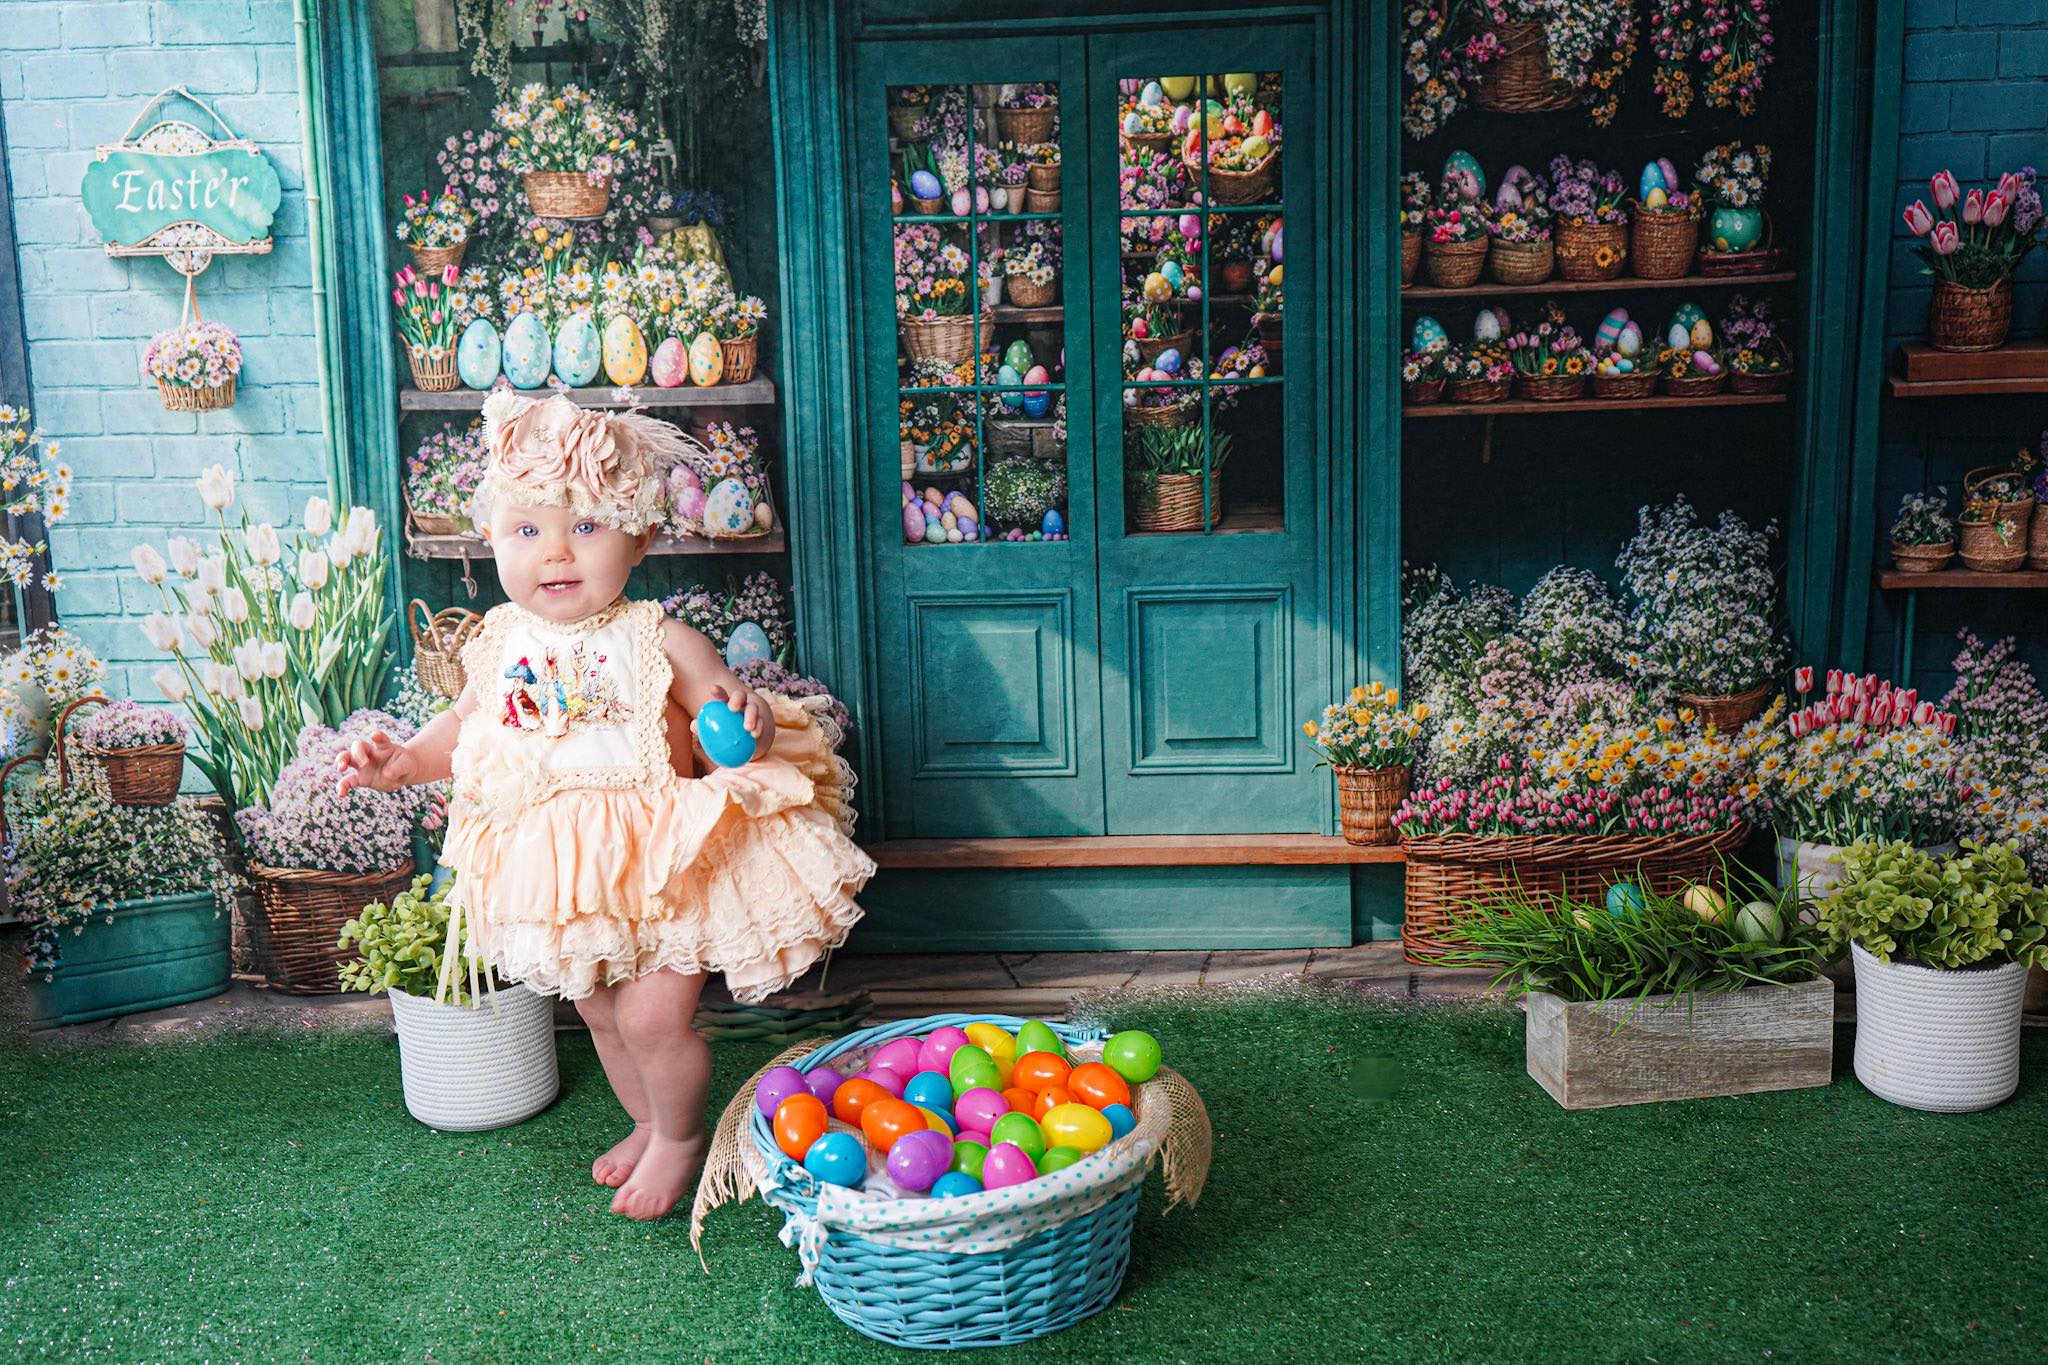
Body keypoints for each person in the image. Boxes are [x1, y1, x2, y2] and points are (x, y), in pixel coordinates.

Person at [335, 391, 873, 1220]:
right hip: (564, 877)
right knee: (599, 1014)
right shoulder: (499, 643)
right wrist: (402, 761)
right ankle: (647, 1120)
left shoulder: (659, 638)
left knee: (655, 1019)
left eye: (584, 526)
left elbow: (730, 712)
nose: (556, 551)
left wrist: (749, 719)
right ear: (492, 539)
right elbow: (460, 730)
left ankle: (683, 1136)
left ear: (640, 535)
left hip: (664, 864)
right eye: (528, 530)